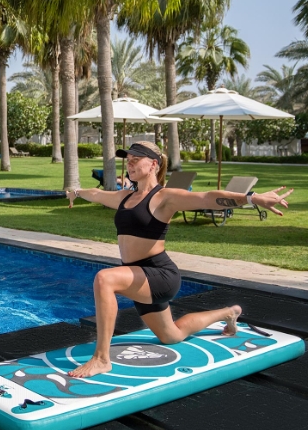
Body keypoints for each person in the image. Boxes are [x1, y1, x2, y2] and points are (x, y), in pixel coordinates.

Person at [65, 141, 293, 379]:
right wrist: (76, 193)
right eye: (128, 160)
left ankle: (102, 359)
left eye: (136, 159)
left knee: (105, 279)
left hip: (159, 275)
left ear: (153, 164)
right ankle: (228, 313)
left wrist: (251, 198)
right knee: (171, 336)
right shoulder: (125, 197)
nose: (130, 164)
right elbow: (97, 194)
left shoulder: (165, 197)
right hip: (137, 277)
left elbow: (207, 198)